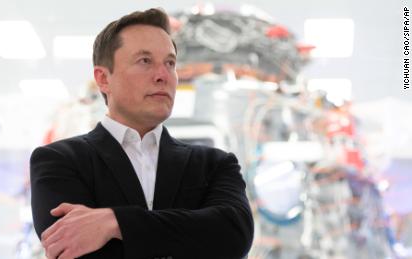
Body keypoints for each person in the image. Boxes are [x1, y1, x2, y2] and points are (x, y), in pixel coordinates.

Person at [30, 8, 254, 259]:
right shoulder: (60, 161)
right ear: (103, 79)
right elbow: (73, 251)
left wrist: (114, 223)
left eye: (170, 63)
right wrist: (189, 233)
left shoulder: (215, 164)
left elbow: (233, 236)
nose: (162, 76)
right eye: (145, 61)